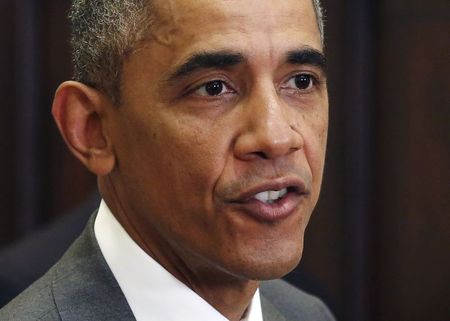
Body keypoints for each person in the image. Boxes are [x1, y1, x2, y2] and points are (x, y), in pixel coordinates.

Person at [0, 0, 335, 320]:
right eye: (214, 88)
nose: (277, 138)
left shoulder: (307, 314)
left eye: (300, 81)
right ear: (93, 129)